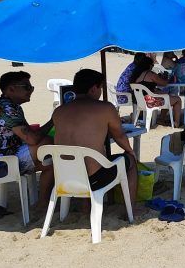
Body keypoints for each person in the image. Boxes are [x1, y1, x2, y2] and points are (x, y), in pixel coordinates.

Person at [52, 69, 138, 204]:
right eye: (101, 88)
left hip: (65, 177)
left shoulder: (58, 111)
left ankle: (85, 209)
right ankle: (131, 209)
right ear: (93, 89)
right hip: (94, 179)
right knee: (130, 161)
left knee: (87, 158)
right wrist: (130, 151)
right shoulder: (106, 108)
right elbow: (119, 136)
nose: (101, 92)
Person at [0, 71, 54, 209]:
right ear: (11, 89)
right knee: (47, 144)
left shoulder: (6, 105)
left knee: (50, 164)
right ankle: (45, 203)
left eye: (31, 88)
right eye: (27, 87)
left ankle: (42, 203)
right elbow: (32, 139)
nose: (31, 91)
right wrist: (53, 122)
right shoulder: (8, 109)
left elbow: (29, 133)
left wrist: (51, 123)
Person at [131, 56, 183, 125]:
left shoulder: (138, 74)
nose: (153, 67)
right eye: (152, 65)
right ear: (149, 65)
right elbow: (164, 83)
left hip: (140, 102)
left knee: (167, 96)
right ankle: (176, 123)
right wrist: (167, 78)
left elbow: (147, 89)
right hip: (150, 102)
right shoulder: (151, 74)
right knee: (177, 99)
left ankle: (162, 119)